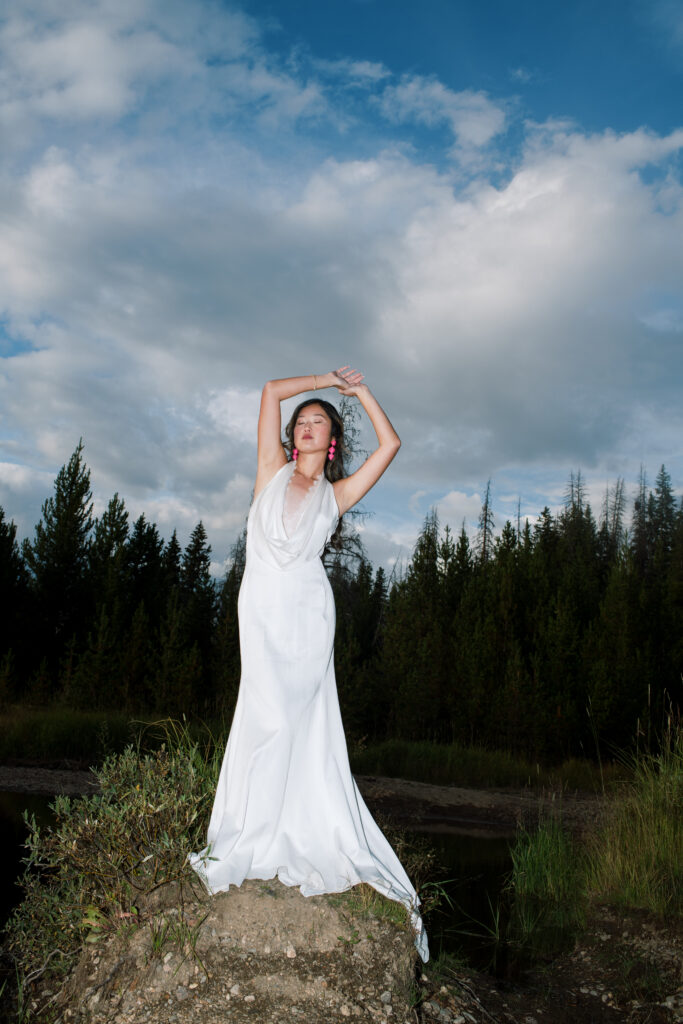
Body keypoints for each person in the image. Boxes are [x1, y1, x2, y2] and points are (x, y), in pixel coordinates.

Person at [189, 367, 429, 962]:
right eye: (301, 422)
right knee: (263, 715)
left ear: (333, 441)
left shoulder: (336, 495)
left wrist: (360, 392)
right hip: (261, 607)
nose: (304, 426)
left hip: (307, 615)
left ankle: (299, 830)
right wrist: (322, 377)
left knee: (300, 721)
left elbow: (392, 445)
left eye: (317, 422)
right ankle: (252, 831)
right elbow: (269, 389)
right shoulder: (270, 471)